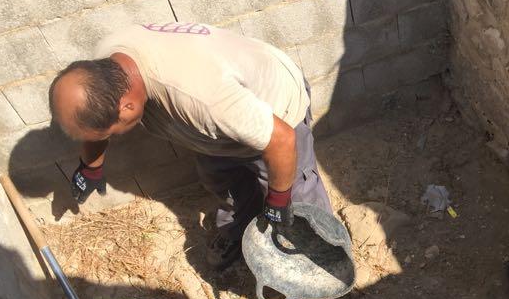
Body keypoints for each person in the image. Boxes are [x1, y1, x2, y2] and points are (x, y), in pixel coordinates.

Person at [48, 21, 333, 270]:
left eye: (111, 132)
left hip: (274, 108)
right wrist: (90, 167)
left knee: (296, 195)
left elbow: (282, 140)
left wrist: (279, 200)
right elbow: (96, 126)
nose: (108, 137)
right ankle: (238, 230)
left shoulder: (203, 100)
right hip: (224, 125)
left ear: (127, 107)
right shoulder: (103, 69)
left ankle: (316, 252)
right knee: (223, 180)